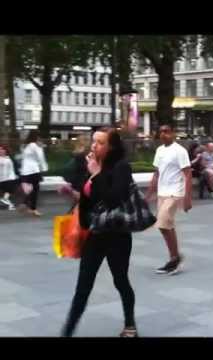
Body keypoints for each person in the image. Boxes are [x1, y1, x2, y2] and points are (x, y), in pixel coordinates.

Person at [62, 127, 138, 337]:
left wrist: (96, 173)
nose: (94, 146)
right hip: (95, 235)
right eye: (94, 141)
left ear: (112, 147)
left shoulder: (122, 167)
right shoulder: (93, 165)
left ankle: (130, 325)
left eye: (101, 142)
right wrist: (74, 193)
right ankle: (67, 331)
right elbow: (92, 198)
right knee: (82, 287)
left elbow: (114, 198)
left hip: (117, 236)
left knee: (120, 280)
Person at [147, 125, 192, 275]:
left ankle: (174, 259)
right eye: (161, 132)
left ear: (173, 133)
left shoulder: (180, 151)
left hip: (175, 192)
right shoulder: (160, 150)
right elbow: (157, 173)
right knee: (164, 225)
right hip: (162, 192)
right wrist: (149, 194)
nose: (163, 134)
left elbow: (187, 174)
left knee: (163, 222)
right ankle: (175, 257)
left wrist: (187, 198)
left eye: (167, 131)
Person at [19, 130, 48, 217]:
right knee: (35, 189)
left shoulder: (25, 146)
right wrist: (44, 168)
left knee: (31, 189)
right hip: (34, 170)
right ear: (37, 137)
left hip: (25, 170)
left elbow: (23, 158)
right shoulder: (34, 146)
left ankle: (26, 204)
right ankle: (32, 208)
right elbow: (40, 157)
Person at [60, 135, 89, 206]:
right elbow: (82, 169)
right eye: (87, 140)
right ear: (84, 142)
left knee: (77, 205)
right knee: (80, 206)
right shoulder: (81, 155)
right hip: (80, 183)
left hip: (76, 183)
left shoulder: (76, 153)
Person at [0, 144, 19, 210]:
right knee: (9, 189)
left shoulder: (9, 158)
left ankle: (8, 203)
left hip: (10, 177)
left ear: (5, 150)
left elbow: (14, 167)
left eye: (2, 149)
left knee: (11, 188)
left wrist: (16, 174)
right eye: (0, 149)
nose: (1, 151)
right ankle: (6, 201)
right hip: (2, 178)